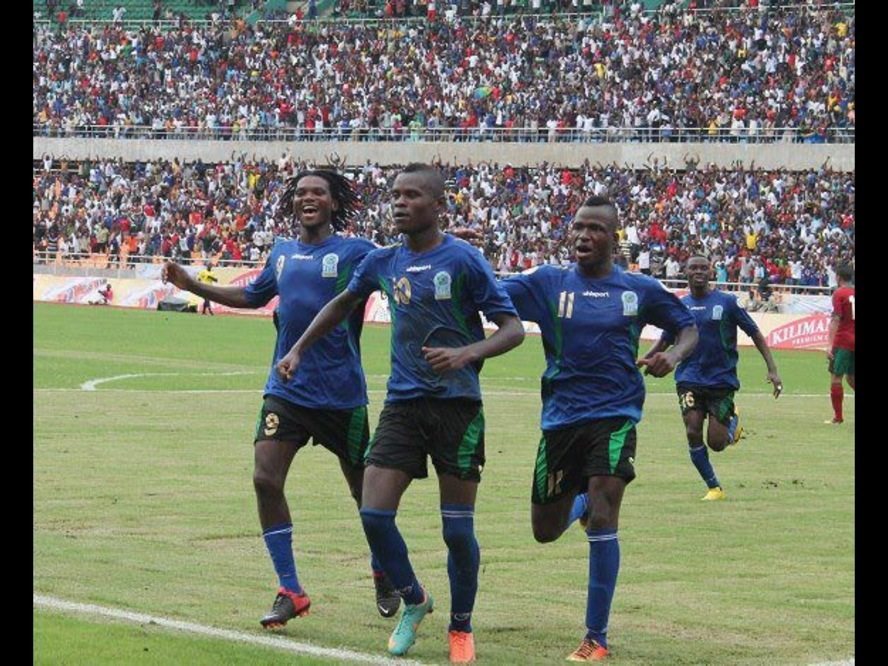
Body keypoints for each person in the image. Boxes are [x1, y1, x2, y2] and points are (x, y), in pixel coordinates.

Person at [276, 163, 525, 663]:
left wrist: (467, 353)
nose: (400, 203)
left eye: (412, 196)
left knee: (457, 530)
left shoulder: (464, 259)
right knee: (373, 513)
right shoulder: (383, 261)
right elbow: (340, 304)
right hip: (403, 405)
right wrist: (298, 348)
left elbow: (512, 328)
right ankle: (414, 598)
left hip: (457, 408)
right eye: (395, 196)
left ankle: (461, 627)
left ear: (438, 206)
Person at [161, 169, 402, 629]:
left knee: (366, 495)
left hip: (341, 395)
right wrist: (192, 286)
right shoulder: (283, 253)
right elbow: (253, 296)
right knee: (264, 478)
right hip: (287, 389)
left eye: (318, 192)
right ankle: (290, 589)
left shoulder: (356, 252)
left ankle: (382, 568)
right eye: (301, 192)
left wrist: (445, 243)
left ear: (333, 203)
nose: (308, 198)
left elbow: (404, 262)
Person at [500, 196, 698, 662]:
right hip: (560, 420)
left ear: (614, 238)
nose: (583, 236)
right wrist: (464, 256)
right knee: (545, 530)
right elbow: (488, 293)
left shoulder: (639, 289)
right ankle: (583, 502)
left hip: (615, 415)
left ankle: (596, 637)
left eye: (595, 229)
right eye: (578, 227)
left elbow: (688, 328)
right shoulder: (548, 283)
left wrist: (673, 355)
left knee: (606, 516)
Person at [644, 255, 782, 501]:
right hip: (688, 378)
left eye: (703, 268)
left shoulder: (727, 302)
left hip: (721, 379)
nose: (698, 271)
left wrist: (772, 369)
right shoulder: (680, 306)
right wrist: (645, 358)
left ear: (711, 272)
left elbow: (755, 333)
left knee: (717, 443)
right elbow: (665, 340)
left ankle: (732, 422)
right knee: (692, 430)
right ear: (685, 272)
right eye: (693, 268)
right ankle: (714, 487)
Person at [825, 263, 854, 424]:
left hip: (843, 341)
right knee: (852, 378)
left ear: (838, 277)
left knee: (836, 377)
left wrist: (830, 345)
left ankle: (838, 417)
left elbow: (836, 319)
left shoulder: (839, 293)